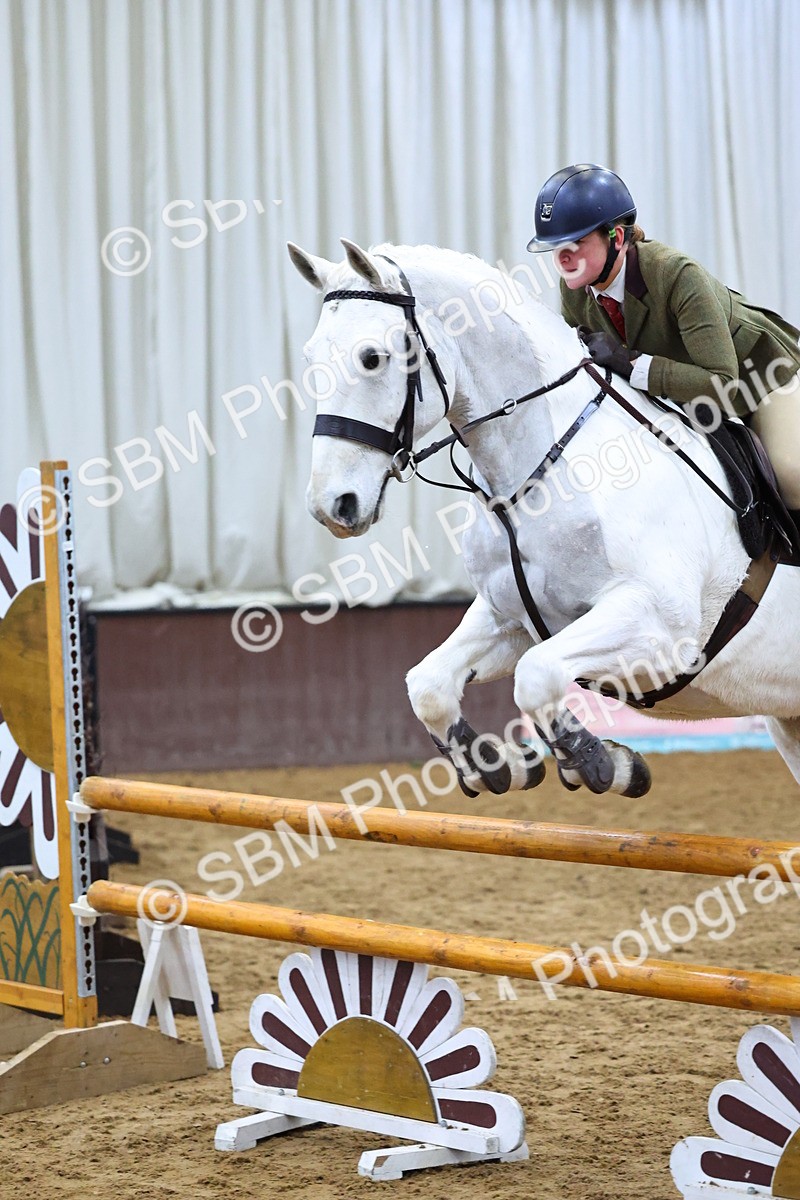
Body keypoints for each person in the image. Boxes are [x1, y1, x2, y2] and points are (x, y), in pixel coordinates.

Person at [527, 163, 800, 518]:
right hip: (686, 399)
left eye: (577, 242)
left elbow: (722, 383)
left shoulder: (676, 274)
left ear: (618, 238)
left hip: (761, 378)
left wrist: (630, 363)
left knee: (792, 473)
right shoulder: (575, 290)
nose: (563, 258)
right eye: (556, 247)